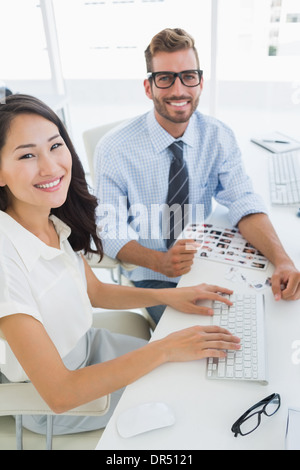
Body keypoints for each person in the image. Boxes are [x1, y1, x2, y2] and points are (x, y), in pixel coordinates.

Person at [0, 94, 241, 436]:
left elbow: (94, 291)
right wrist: (165, 347)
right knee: (189, 403)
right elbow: (60, 393)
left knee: (197, 370)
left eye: (55, 146)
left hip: (92, 346)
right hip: (59, 397)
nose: (50, 166)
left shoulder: (49, 218)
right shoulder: (5, 261)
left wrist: (171, 296)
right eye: (27, 155)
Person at [95, 27, 300, 324]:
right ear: (148, 87)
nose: (179, 90)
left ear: (200, 82)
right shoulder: (113, 149)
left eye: (188, 76)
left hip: (206, 261)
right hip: (152, 276)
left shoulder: (218, 136)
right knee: (201, 342)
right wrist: (160, 262)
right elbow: (109, 227)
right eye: (165, 78)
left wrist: (283, 261)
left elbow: (243, 202)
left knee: (260, 321)